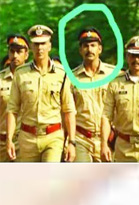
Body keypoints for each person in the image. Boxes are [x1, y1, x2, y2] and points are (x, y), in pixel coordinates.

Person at [5, 25, 76, 162]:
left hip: (53, 137)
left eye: (43, 43)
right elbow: (12, 109)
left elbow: (68, 110)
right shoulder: (21, 73)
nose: (40, 48)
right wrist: (9, 140)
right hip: (27, 138)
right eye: (36, 44)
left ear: (50, 46)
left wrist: (72, 142)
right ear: (31, 47)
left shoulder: (62, 74)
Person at [71, 27, 115, 162]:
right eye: (85, 46)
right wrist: (69, 141)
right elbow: (67, 111)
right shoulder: (71, 78)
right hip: (81, 138)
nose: (89, 50)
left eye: (93, 45)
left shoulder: (114, 74)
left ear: (99, 49)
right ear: (80, 50)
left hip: (108, 138)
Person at [0, 34, 29, 163]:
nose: (15, 55)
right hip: (2, 142)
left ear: (26, 54)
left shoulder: (33, 78)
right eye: (12, 51)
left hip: (25, 142)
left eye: (19, 51)